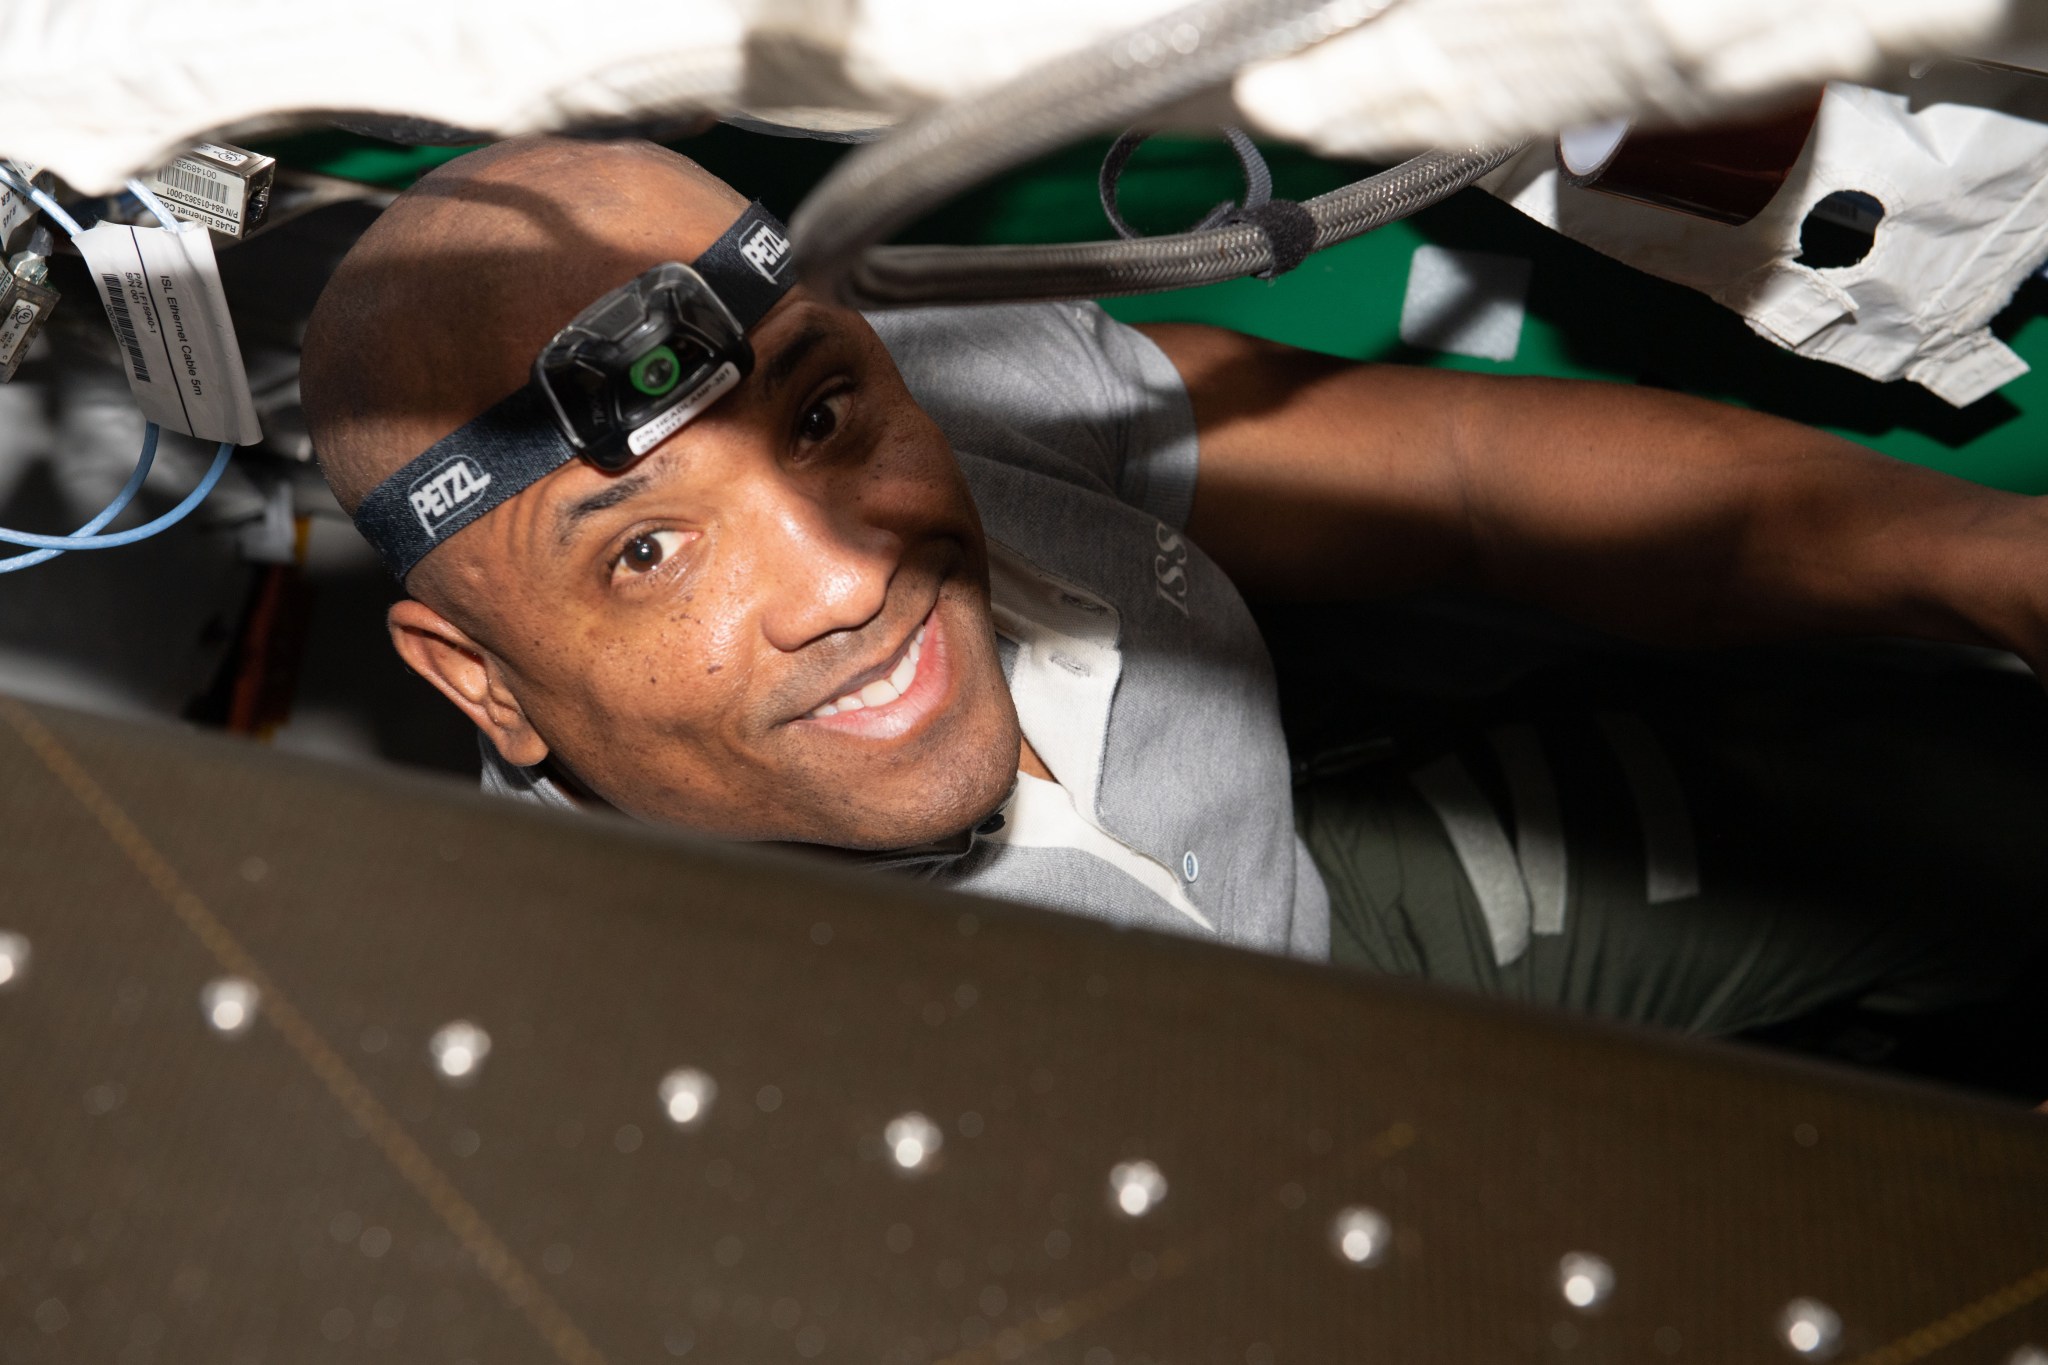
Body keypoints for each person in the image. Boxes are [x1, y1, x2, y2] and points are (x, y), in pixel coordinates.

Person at [301, 135, 2048, 1040]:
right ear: (482, 681)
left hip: (1322, 914)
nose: (847, 575)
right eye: (647, 547)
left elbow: (1456, 476)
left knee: (1963, 805)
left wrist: (1986, 557)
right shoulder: (640, 1072)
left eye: (821, 410)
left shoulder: (975, 390)